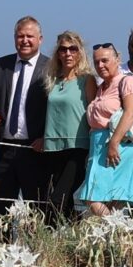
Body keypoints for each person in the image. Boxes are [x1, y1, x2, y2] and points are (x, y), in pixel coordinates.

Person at [0, 18, 49, 212]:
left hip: (35, 149)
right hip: (3, 148)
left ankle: (34, 243)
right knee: (1, 209)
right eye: (20, 36)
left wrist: (46, 137)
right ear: (14, 38)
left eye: (30, 36)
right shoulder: (2, 64)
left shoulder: (51, 67)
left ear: (40, 39)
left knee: (35, 211)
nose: (25, 40)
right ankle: (0, 243)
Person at [79, 41, 133, 215]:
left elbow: (131, 112)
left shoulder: (127, 81)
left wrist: (114, 142)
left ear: (117, 59)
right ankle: (117, 236)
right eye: (97, 62)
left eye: (105, 60)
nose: (100, 65)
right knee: (109, 202)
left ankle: (114, 231)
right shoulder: (101, 88)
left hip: (117, 145)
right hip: (99, 147)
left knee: (92, 198)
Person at [39, 33, 93, 217]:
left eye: (73, 49)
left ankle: (54, 236)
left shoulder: (87, 80)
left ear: (80, 52)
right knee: (61, 201)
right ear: (58, 53)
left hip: (77, 147)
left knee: (58, 199)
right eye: (63, 49)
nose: (68, 53)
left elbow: (94, 114)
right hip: (52, 147)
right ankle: (67, 240)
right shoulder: (52, 79)